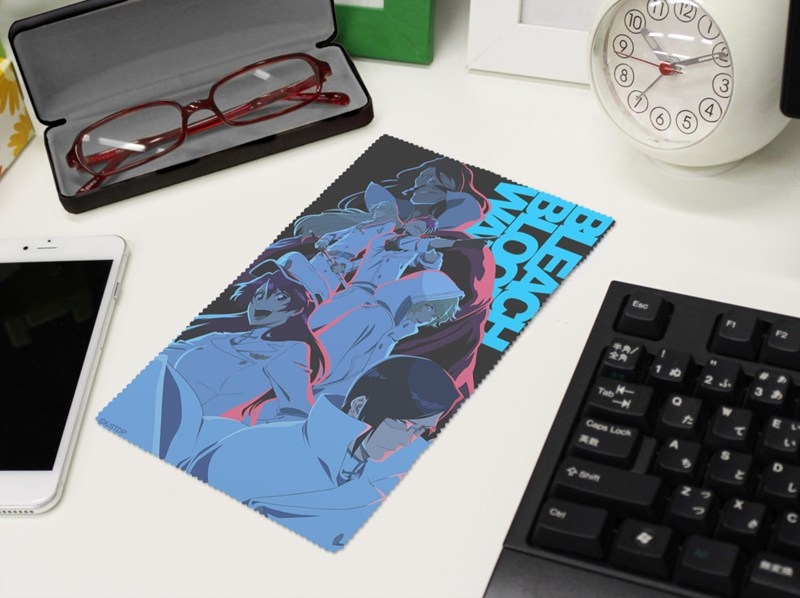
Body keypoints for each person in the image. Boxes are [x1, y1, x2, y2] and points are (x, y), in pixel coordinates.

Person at [184, 355, 462, 551]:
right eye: (404, 424)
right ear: (358, 406)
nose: (409, 440)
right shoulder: (252, 451)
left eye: (421, 430)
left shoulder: (407, 476)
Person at [311, 269, 464, 405]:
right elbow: (323, 353)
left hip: (328, 397)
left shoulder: (393, 329)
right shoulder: (375, 316)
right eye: (431, 310)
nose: (430, 319)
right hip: (314, 391)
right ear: (418, 301)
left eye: (436, 316)